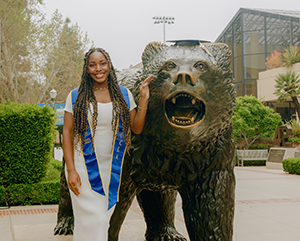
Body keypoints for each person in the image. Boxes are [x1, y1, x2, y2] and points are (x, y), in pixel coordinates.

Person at [62, 47, 151, 241]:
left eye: (102, 63)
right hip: (83, 168)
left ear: (109, 65)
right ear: (86, 69)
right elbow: (67, 133)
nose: (98, 69)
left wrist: (143, 98)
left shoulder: (124, 95)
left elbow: (136, 128)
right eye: (92, 65)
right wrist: (70, 170)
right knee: (89, 222)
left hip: (111, 168)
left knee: (102, 221)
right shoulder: (76, 96)